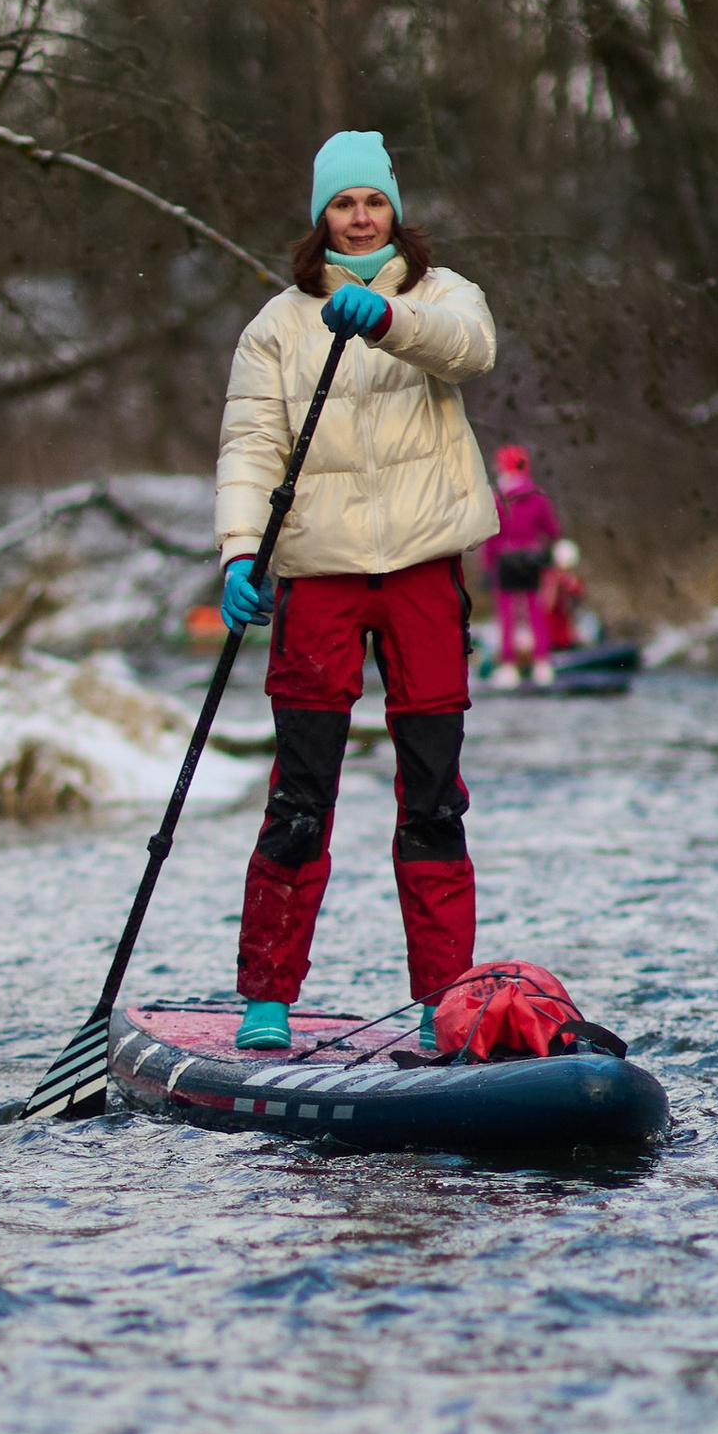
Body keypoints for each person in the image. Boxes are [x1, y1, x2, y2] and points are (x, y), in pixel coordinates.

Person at [216, 131, 497, 1052]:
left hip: (422, 572)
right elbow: (251, 446)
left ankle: (442, 999)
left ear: (394, 210)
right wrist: (239, 554)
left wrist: (384, 319)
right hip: (318, 577)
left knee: (434, 799)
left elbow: (470, 352)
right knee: (301, 796)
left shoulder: (442, 295)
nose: (361, 217)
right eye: (344, 203)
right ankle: (267, 999)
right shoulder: (276, 327)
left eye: (374, 201)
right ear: (322, 216)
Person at [486, 443, 558, 682]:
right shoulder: (537, 496)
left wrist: (488, 567)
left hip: (505, 559)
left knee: (506, 614)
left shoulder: (498, 498)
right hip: (531, 559)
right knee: (536, 612)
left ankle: (509, 666)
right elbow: (552, 530)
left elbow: (491, 535)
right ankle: (542, 664)